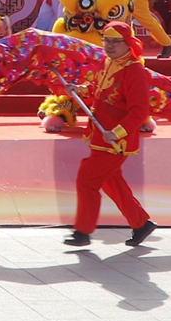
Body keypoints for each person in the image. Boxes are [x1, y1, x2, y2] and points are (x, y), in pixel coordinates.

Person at [63, 21, 160, 247]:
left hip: (116, 142)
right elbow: (97, 89)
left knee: (87, 179)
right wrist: (79, 90)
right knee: (111, 183)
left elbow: (139, 112)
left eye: (116, 42)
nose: (110, 46)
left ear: (128, 43)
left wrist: (116, 133)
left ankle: (83, 231)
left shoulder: (135, 71)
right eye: (107, 40)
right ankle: (141, 223)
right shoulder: (107, 62)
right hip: (100, 136)